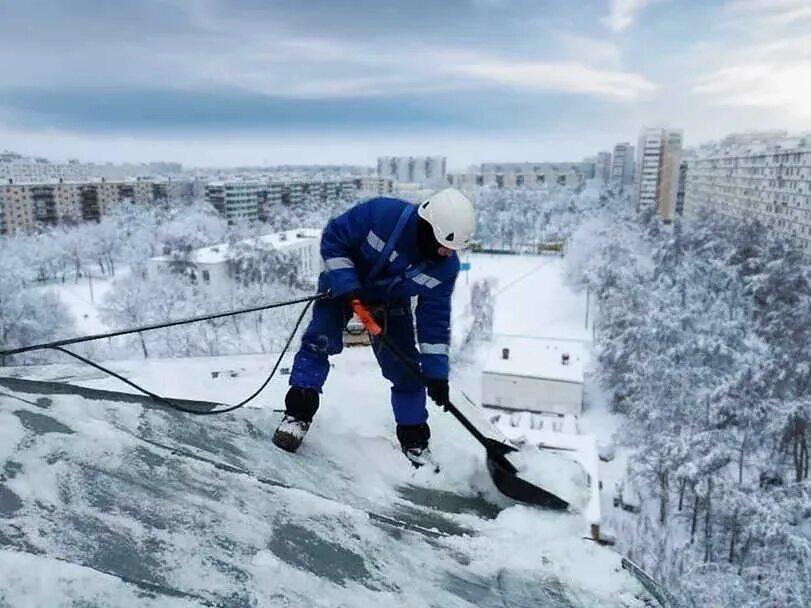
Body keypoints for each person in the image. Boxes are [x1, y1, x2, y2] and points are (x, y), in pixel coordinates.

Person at [272, 188, 476, 467]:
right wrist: (345, 282)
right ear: (428, 226)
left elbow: (434, 322)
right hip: (344, 287)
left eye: (452, 249)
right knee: (319, 340)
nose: (446, 253)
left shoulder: (444, 269)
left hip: (390, 302)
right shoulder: (382, 214)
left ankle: (414, 440)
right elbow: (334, 238)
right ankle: (297, 414)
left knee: (406, 371)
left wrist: (436, 373)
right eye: (443, 244)